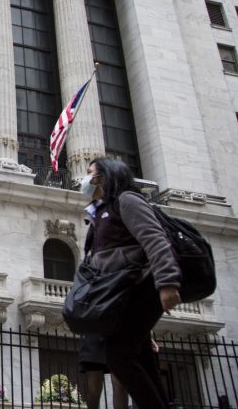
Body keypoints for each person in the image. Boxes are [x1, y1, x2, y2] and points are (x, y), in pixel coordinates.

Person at [79, 157, 181, 409]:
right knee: (143, 362)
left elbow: (155, 239)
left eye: (89, 172)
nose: (85, 178)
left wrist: (167, 282)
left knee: (119, 358)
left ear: (103, 177)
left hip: (136, 290)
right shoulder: (101, 212)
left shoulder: (127, 200)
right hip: (118, 296)